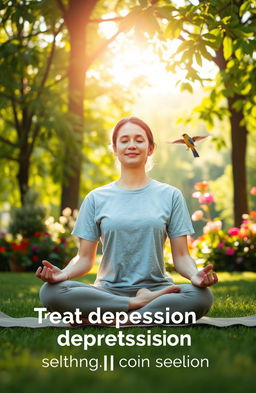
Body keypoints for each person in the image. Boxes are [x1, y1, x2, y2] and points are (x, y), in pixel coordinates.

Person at [36, 117, 218, 325]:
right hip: (107, 293)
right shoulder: (96, 198)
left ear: (150, 148)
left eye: (139, 140)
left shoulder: (171, 196)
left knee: (201, 296)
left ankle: (110, 319)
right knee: (51, 292)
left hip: (159, 290)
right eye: (124, 140)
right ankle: (134, 308)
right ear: (114, 148)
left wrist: (195, 276)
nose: (131, 145)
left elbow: (182, 256)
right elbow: (84, 259)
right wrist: (63, 274)